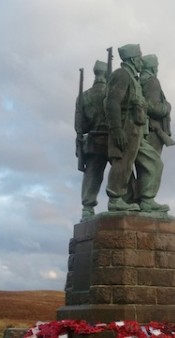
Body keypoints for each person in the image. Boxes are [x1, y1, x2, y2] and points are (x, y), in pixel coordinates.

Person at [105, 44, 169, 213]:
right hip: (125, 128)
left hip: (137, 130)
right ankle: (115, 199)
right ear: (133, 59)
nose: (142, 62)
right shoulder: (122, 75)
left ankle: (147, 200)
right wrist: (117, 128)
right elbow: (111, 102)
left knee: (154, 163)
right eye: (140, 58)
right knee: (123, 163)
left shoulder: (132, 78)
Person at [74, 60, 109, 220]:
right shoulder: (112, 92)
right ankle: (122, 200)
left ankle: (87, 207)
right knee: (123, 173)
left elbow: (80, 126)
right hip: (112, 140)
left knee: (92, 174)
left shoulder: (84, 96)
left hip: (93, 141)